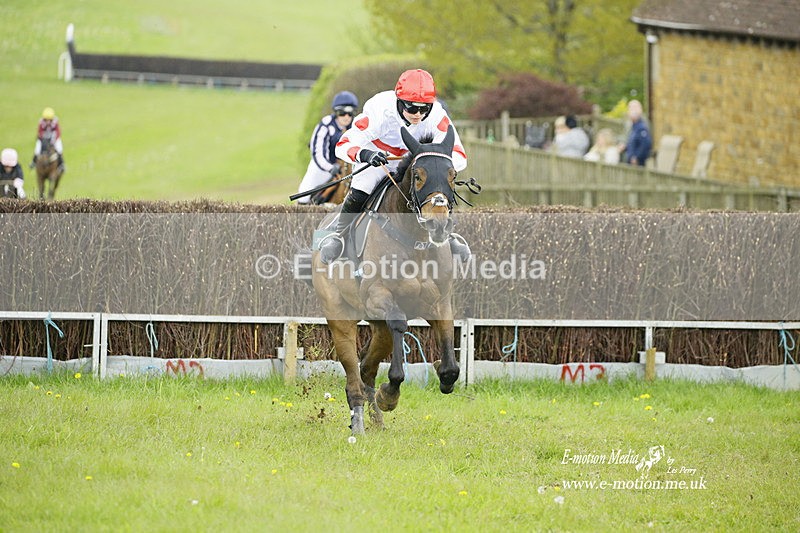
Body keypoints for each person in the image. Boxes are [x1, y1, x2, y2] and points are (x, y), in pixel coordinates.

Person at [319, 69, 468, 264]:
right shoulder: (380, 109)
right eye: (412, 108)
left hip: (414, 162)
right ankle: (339, 236)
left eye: (424, 109)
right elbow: (343, 144)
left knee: (438, 188)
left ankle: (448, 234)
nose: (418, 114)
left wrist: (436, 165)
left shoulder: (437, 114)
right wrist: (366, 154)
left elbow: (459, 155)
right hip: (377, 159)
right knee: (362, 189)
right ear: (399, 100)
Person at [296, 91, 359, 204]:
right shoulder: (325, 125)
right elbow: (317, 152)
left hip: (346, 168)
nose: (346, 117)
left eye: (350, 113)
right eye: (342, 113)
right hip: (324, 167)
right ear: (336, 112)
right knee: (304, 194)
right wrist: (330, 168)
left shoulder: (355, 127)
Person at [31, 107, 65, 172]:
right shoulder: (41, 123)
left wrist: (54, 140)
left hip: (53, 138)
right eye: (46, 120)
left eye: (49, 120)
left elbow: (58, 132)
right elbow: (39, 132)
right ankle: (34, 162)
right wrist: (42, 139)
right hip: (44, 139)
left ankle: (61, 164)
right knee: (37, 149)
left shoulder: (55, 122)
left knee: (59, 148)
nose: (48, 122)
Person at [622, 100, 652, 166]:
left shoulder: (642, 127)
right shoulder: (633, 126)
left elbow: (645, 144)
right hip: (630, 160)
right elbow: (631, 141)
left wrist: (636, 157)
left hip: (637, 162)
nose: (630, 112)